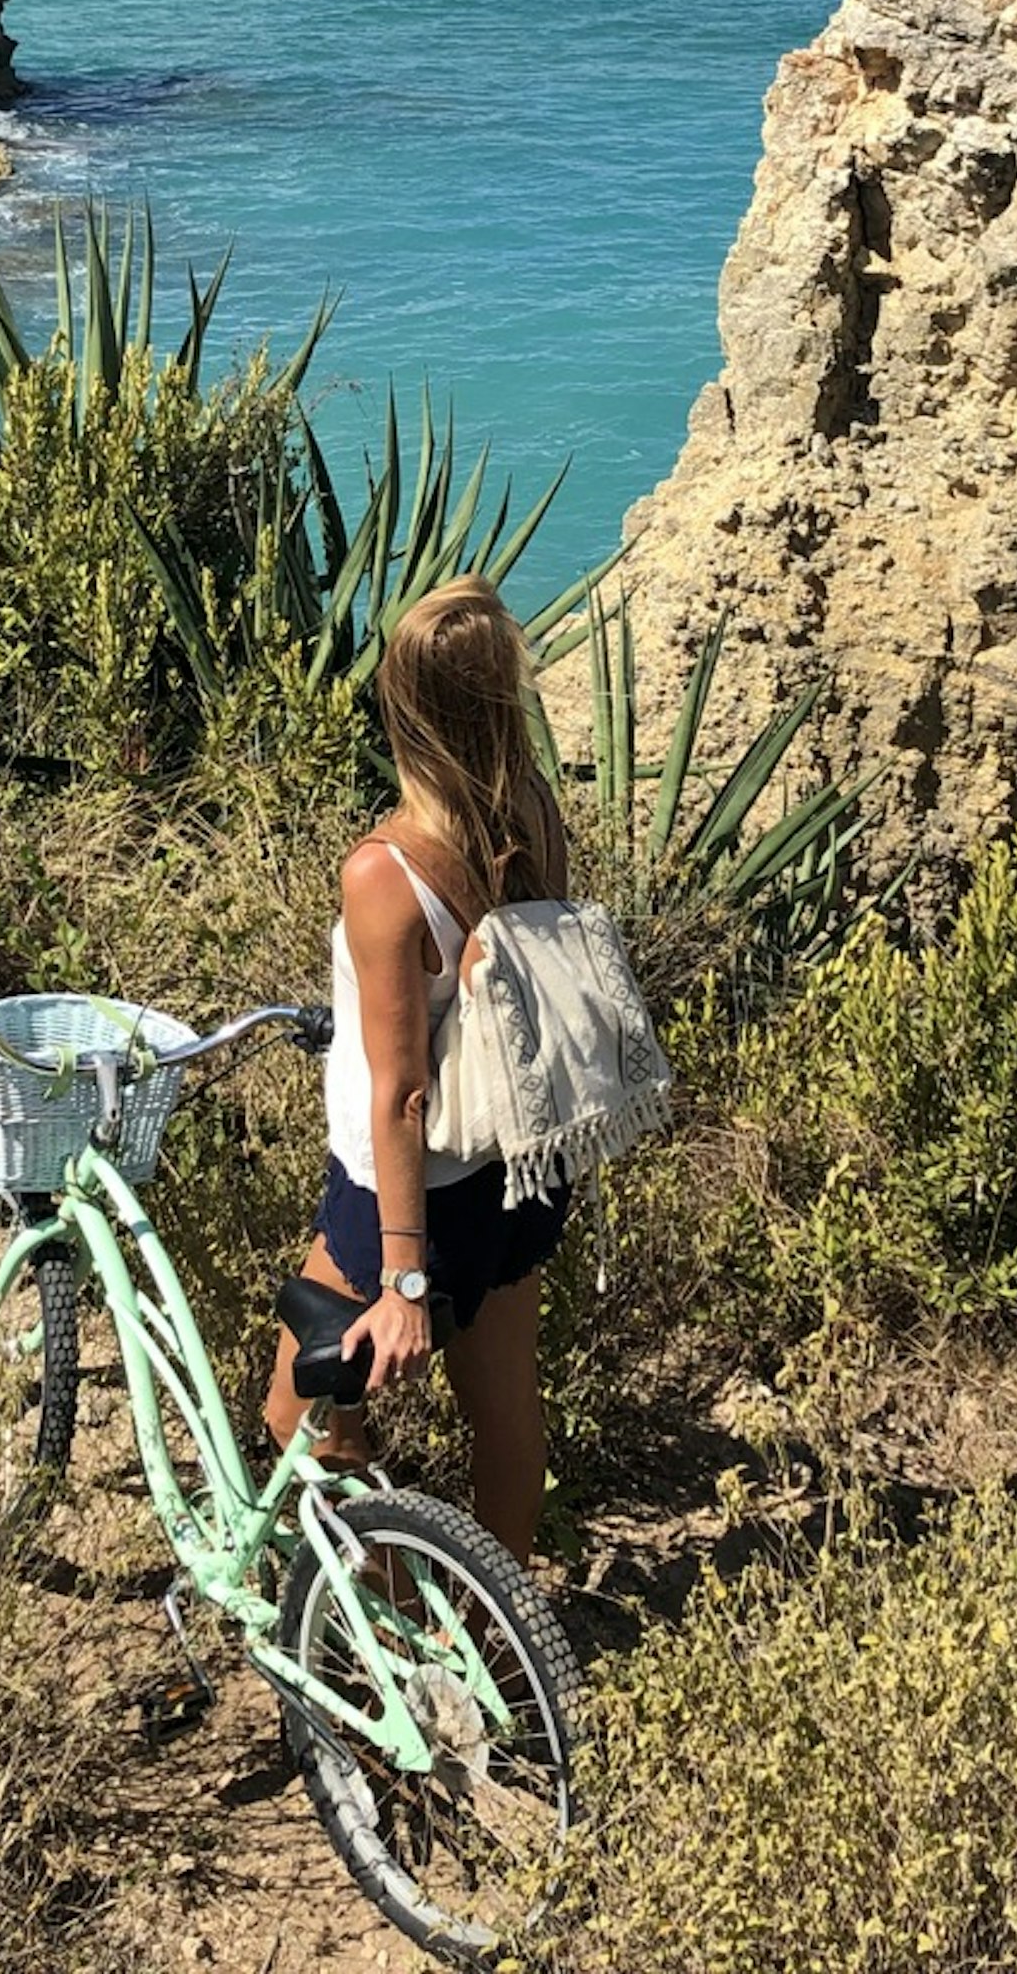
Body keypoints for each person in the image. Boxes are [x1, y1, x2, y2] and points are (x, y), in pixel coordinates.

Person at [262, 575, 570, 1560]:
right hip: (517, 1175)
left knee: (299, 1420)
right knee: (506, 1417)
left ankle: (386, 1634)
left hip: (403, 1202)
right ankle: (494, 1649)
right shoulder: (532, 814)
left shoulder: (384, 874)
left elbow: (400, 1094)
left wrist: (400, 1280)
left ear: (406, 708)